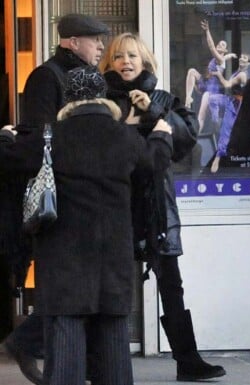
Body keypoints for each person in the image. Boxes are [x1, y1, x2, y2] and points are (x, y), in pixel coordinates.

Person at [0, 65, 173, 385]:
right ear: (102, 97)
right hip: (113, 258)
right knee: (114, 350)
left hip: (63, 261)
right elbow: (153, 163)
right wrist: (162, 136)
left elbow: (9, 159)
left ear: (68, 100)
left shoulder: (50, 137)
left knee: (65, 349)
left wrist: (6, 137)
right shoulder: (124, 136)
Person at [99, 32, 226, 381]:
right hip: (116, 204)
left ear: (145, 63)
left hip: (156, 204)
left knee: (171, 284)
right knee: (111, 285)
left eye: (132, 57)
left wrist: (152, 110)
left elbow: (185, 142)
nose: (125, 63)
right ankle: (102, 361)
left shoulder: (163, 99)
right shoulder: (101, 101)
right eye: (119, 57)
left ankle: (188, 360)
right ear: (109, 63)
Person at [0, 13, 109, 385]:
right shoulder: (47, 77)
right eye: (94, 41)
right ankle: (29, 341)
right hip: (61, 197)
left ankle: (59, 355)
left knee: (82, 284)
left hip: (79, 193)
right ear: (72, 42)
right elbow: (41, 138)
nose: (100, 48)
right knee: (70, 284)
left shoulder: (82, 77)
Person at [184, 19, 237, 132]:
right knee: (192, 71)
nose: (219, 44)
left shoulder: (219, 59)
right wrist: (230, 55)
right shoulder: (221, 58)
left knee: (201, 115)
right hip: (205, 84)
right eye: (219, 43)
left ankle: (199, 134)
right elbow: (224, 57)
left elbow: (212, 47)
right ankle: (188, 97)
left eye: (222, 44)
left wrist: (207, 31)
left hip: (211, 90)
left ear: (224, 50)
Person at [208, 53, 250, 173]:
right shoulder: (238, 71)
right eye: (241, 57)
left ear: (248, 63)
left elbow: (227, 84)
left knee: (225, 131)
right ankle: (216, 123)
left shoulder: (242, 75)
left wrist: (218, 74)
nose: (242, 58)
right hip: (229, 99)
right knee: (212, 99)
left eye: (245, 58)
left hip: (235, 104)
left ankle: (218, 157)